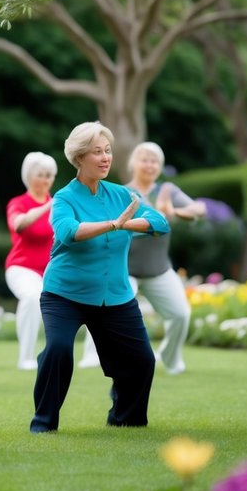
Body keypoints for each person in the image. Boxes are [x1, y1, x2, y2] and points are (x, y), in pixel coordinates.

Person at [30, 122, 168, 433]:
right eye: (97, 152)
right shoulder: (64, 199)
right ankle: (43, 423)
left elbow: (159, 222)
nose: (105, 158)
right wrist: (113, 224)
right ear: (79, 158)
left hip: (115, 295)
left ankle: (125, 419)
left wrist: (126, 223)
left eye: (107, 151)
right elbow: (68, 232)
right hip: (64, 294)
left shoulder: (122, 194)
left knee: (142, 360)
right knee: (58, 351)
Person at [78, 142, 206, 374]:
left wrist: (174, 212)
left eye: (154, 161)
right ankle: (91, 356)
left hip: (158, 269)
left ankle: (170, 357)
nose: (149, 165)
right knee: (102, 307)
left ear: (161, 166)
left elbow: (199, 209)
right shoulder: (120, 192)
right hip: (123, 268)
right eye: (144, 159)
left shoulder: (167, 191)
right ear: (132, 164)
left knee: (181, 314)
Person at [4, 152, 58, 371]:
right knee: (32, 297)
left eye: (49, 175)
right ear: (28, 176)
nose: (45, 180)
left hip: (52, 270)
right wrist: (48, 206)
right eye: (40, 175)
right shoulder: (18, 203)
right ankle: (25, 357)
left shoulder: (59, 204)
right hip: (21, 267)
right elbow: (19, 224)